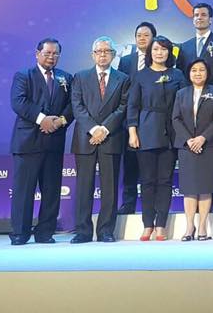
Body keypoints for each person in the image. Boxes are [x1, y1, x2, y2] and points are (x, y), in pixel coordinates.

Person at [8, 38, 72, 245]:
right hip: (27, 142)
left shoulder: (65, 78)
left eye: (55, 54)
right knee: (24, 191)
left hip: (54, 141)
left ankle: (45, 233)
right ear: (37, 54)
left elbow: (72, 105)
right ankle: (20, 233)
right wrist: (42, 119)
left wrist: (59, 121)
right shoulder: (23, 76)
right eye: (47, 53)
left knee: (52, 191)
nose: (51, 57)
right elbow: (18, 102)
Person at [70, 36, 130, 243]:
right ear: (92, 55)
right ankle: (83, 231)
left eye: (107, 51)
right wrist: (94, 129)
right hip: (85, 138)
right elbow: (77, 106)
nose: (103, 55)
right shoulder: (80, 77)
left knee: (110, 188)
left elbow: (123, 107)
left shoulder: (123, 79)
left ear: (113, 55)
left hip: (111, 137)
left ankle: (106, 230)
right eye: (99, 51)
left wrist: (104, 129)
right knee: (84, 186)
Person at [127, 35, 185, 241]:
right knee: (148, 181)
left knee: (165, 180)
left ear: (169, 52)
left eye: (163, 49)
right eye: (155, 49)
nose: (159, 53)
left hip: (171, 131)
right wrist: (132, 132)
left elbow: (184, 103)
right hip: (146, 130)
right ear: (149, 53)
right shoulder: (140, 76)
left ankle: (161, 225)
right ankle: (147, 225)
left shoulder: (177, 74)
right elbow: (132, 105)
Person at [173, 58, 213, 241]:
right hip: (187, 146)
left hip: (208, 145)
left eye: (201, 70)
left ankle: (202, 226)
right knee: (189, 188)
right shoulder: (181, 93)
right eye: (194, 70)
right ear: (189, 73)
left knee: (205, 187)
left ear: (207, 72)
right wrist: (189, 140)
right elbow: (175, 119)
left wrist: (203, 138)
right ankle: (189, 227)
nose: (198, 73)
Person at [117, 21, 157, 214]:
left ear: (153, 38)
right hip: (130, 119)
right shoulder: (126, 61)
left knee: (153, 166)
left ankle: (155, 205)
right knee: (130, 164)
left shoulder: (160, 58)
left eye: (146, 35)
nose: (142, 38)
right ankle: (129, 203)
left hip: (154, 119)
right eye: (139, 35)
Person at [176, 3, 213, 87]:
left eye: (203, 15)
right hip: (188, 92)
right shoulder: (185, 46)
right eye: (196, 15)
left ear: (210, 20)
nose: (199, 18)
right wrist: (188, 91)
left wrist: (212, 92)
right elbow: (180, 73)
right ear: (193, 20)